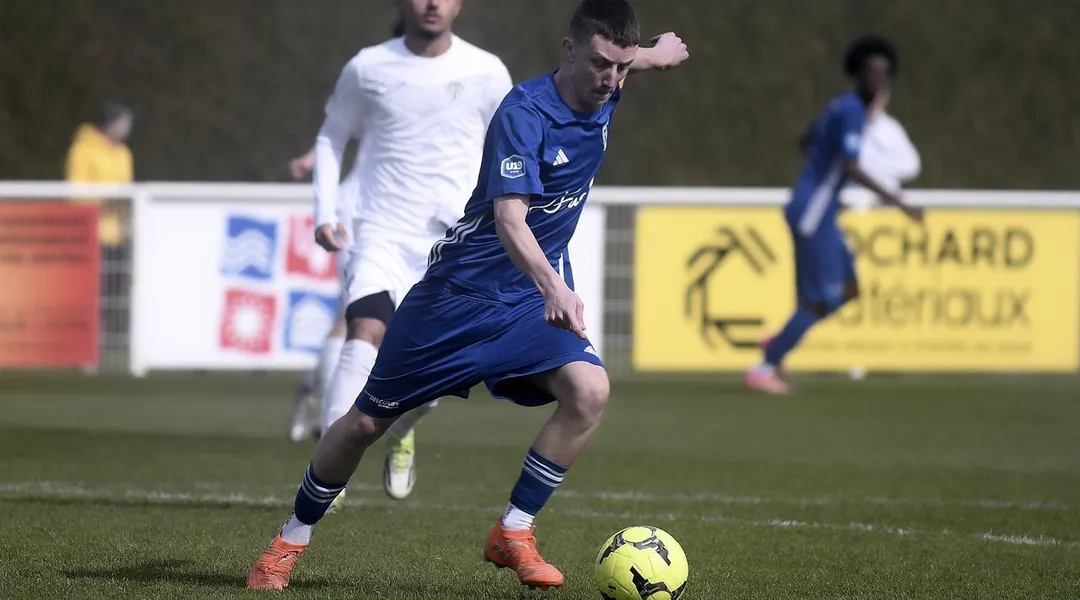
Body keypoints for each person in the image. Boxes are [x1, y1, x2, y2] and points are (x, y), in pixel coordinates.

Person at [246, 0, 689, 591]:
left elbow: (626, 60)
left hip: (525, 304)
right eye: (599, 64)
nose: (609, 79)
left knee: (590, 391)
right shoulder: (524, 113)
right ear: (568, 51)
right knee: (362, 425)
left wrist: (656, 55)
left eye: (621, 67)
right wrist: (555, 286)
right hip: (457, 299)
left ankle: (513, 531)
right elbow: (509, 219)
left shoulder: (607, 84)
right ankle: (289, 540)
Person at [288, 0, 514, 504]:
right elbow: (331, 138)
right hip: (379, 231)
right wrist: (325, 211)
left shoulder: (486, 71)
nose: (432, 3)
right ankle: (326, 474)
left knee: (428, 380)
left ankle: (402, 430)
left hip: (452, 244)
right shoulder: (368, 67)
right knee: (363, 330)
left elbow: (512, 146)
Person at [745, 35, 924, 395]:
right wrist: (900, 202)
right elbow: (851, 166)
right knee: (817, 300)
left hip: (821, 210)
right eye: (871, 71)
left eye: (884, 73)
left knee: (849, 289)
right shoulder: (852, 111)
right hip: (813, 211)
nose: (878, 79)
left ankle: (779, 342)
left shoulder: (840, 107)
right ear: (858, 73)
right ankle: (763, 369)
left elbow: (807, 140)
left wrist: (818, 166)